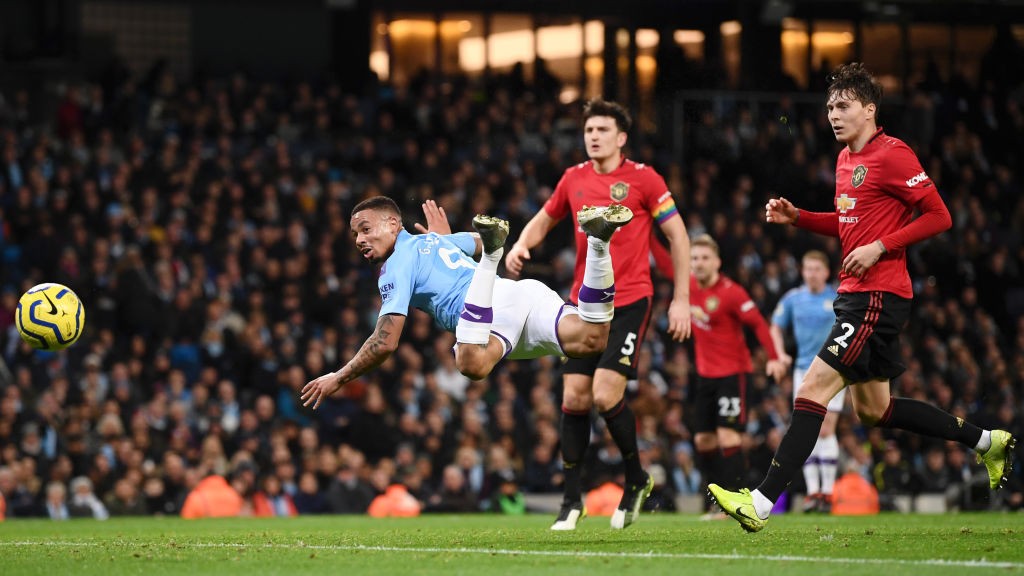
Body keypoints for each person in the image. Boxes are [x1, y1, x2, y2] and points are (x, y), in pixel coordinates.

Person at [709, 62, 1016, 532]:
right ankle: (986, 442)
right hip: (859, 294)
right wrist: (801, 218)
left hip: (877, 295)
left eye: (843, 106)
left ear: (869, 110)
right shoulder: (844, 160)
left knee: (810, 390)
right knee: (876, 411)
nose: (833, 114)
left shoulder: (893, 154)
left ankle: (762, 501)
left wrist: (881, 246)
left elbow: (940, 216)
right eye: (830, 106)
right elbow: (847, 221)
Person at [504, 98, 692, 531]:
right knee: (573, 398)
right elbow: (545, 217)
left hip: (629, 301)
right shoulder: (574, 179)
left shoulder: (645, 180)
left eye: (603, 130)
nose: (593, 137)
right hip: (583, 304)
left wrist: (681, 298)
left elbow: (678, 236)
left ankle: (636, 479)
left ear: (621, 138)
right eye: (589, 130)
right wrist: (521, 245)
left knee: (606, 396)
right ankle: (571, 501)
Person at [301, 196, 634, 410]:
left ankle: (493, 258)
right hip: (518, 295)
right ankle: (598, 242)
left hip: (485, 316)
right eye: (355, 234)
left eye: (365, 229)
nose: (359, 240)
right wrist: (446, 239)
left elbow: (385, 342)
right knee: (592, 338)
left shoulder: (394, 268)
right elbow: (475, 240)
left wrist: (339, 377)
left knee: (470, 363)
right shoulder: (430, 241)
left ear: (392, 224)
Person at [689, 234, 787, 506]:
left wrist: (774, 357)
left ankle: (737, 501)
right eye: (694, 258)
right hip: (705, 376)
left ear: (717, 262)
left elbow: (757, 323)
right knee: (703, 441)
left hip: (733, 374)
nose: (699, 263)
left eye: (705, 258)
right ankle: (714, 501)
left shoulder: (731, 292)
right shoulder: (687, 287)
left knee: (728, 436)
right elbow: (663, 262)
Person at [769, 250, 841, 512]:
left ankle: (828, 492)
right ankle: (813, 494)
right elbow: (775, 326)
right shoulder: (793, 299)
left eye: (816, 269)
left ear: (825, 272)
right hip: (803, 370)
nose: (811, 273)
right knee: (807, 428)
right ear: (802, 271)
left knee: (827, 429)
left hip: (834, 369)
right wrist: (779, 352)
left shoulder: (836, 297)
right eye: (807, 268)